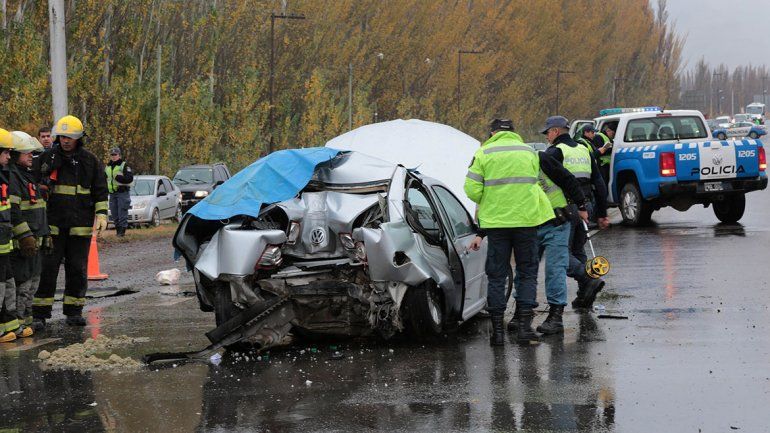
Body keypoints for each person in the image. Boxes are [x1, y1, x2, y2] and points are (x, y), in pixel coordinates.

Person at [466, 118, 566, 346]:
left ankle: (498, 334)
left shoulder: (484, 152)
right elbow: (534, 183)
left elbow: (471, 189)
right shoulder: (529, 151)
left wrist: (492, 200)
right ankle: (524, 329)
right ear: (513, 132)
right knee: (528, 273)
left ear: (492, 133)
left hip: (496, 224)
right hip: (526, 222)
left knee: (497, 275)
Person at [32, 115, 108, 329]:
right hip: (53, 226)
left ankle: (74, 312)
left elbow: (100, 190)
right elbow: (34, 185)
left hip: (80, 226)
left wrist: (102, 214)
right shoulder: (47, 158)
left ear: (79, 138)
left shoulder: (90, 161)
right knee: (47, 269)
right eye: (63, 136)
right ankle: (39, 314)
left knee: (77, 269)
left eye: (70, 137)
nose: (66, 141)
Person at [541, 116, 610, 311]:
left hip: (565, 208)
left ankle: (588, 280)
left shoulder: (555, 152)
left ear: (555, 131)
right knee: (579, 251)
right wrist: (602, 212)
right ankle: (584, 297)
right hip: (585, 206)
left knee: (561, 253)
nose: (547, 136)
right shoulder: (584, 149)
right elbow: (599, 181)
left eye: (547, 132)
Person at [9, 132, 48, 336]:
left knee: (33, 284)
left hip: (36, 242)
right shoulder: (13, 177)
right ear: (15, 155)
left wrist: (46, 234)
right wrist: (25, 236)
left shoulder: (28, 176)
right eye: (27, 153)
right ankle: (19, 323)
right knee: (22, 285)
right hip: (24, 245)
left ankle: (27, 322)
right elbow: (14, 212)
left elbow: (40, 209)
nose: (31, 156)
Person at [0, 129, 20, 342]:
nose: (8, 157)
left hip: (4, 243)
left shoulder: (3, 176)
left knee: (7, 284)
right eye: (5, 152)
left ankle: (7, 327)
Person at [105, 147, 134, 237]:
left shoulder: (124, 165)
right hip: (112, 193)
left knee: (122, 212)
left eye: (115, 155)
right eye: (112, 155)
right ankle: (118, 231)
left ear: (119, 155)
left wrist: (120, 178)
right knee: (114, 213)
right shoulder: (108, 166)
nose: (113, 156)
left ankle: (122, 233)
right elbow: (105, 178)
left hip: (122, 192)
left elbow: (130, 178)